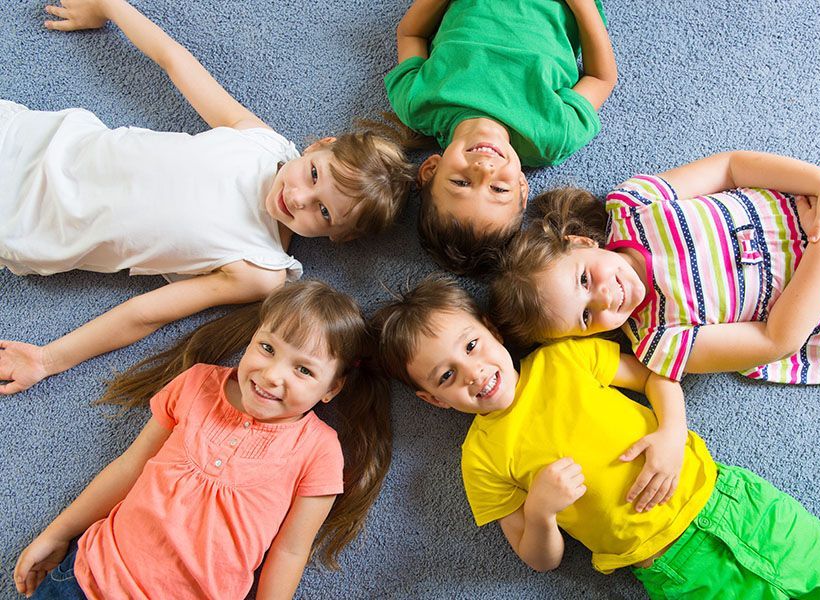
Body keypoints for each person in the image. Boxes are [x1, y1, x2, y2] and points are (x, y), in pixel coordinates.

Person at [372, 275, 820, 598]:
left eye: (471, 346)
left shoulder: (563, 358)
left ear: (490, 330)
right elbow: (538, 560)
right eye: (445, 377)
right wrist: (540, 511)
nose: (472, 373)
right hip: (673, 566)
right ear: (434, 401)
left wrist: (672, 433)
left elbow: (656, 373)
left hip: (731, 501)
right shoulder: (481, 459)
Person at [0, 0, 415, 395]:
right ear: (318, 146)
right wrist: (111, 7)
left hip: (31, 221)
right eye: (313, 175)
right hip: (38, 141)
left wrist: (47, 359)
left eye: (323, 212)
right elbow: (175, 62)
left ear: (338, 237)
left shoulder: (260, 267)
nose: (299, 198)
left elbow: (146, 314)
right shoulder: (262, 143)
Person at [13, 280, 392, 599]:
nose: (273, 374)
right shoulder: (197, 383)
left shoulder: (319, 450)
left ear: (331, 389)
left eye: (304, 370)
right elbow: (129, 466)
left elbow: (290, 552)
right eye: (267, 348)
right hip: (90, 577)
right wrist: (57, 533)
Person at [490, 151, 820, 384]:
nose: (604, 298)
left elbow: (732, 167)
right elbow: (776, 340)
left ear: (579, 242)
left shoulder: (634, 206)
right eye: (585, 317)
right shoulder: (659, 341)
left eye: (583, 279)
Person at [385, 0, 617, 275]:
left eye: (461, 182)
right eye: (498, 189)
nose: (483, 169)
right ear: (521, 188)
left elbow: (411, 34)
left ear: (430, 169)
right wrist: (583, 5)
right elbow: (601, 78)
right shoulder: (552, 134)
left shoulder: (419, 104)